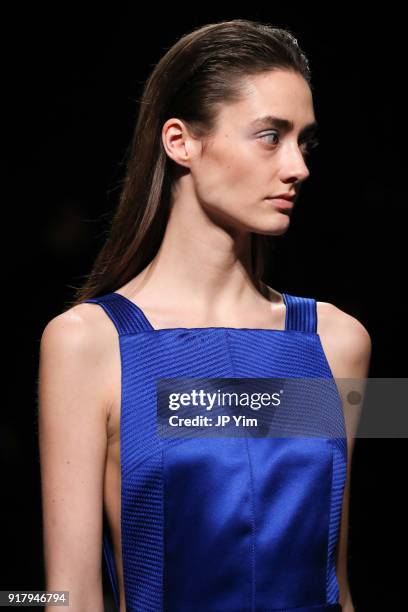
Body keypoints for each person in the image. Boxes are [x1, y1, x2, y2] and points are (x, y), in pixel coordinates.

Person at [38, 18, 371, 612]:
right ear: (180, 142)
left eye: (305, 141)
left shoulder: (339, 342)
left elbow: (334, 577)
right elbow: (67, 594)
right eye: (271, 135)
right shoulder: (85, 344)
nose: (298, 166)